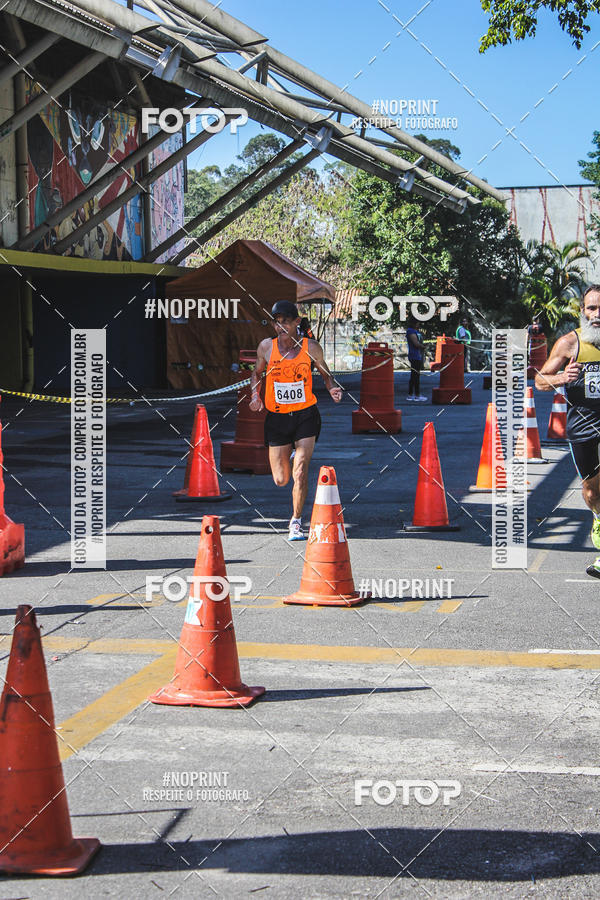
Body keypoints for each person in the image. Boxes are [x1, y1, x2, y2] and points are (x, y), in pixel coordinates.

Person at [249, 300, 342, 540]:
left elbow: (326, 374)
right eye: (277, 323)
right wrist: (255, 395)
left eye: (286, 323)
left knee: (300, 471)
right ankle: (289, 451)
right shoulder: (266, 348)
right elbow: (256, 374)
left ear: (297, 322)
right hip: (277, 418)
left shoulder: (311, 348)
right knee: (281, 480)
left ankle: (296, 522)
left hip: (305, 416)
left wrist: (332, 388)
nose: (281, 327)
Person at [535, 284, 600, 577]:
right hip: (583, 428)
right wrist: (563, 377)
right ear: (583, 312)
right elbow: (539, 381)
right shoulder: (570, 343)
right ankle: (598, 517)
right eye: (592, 308)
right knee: (592, 491)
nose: (597, 314)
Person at [406, 313, 427, 401]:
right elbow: (415, 343)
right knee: (415, 375)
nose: (419, 324)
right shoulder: (411, 331)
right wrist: (423, 346)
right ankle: (416, 395)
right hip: (414, 355)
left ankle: (411, 394)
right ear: (414, 323)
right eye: (417, 323)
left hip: (418, 355)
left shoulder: (416, 331)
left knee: (414, 375)